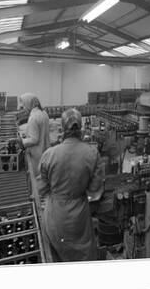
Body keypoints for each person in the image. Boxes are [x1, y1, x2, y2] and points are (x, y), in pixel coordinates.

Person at [37, 108, 104, 262]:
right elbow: (95, 190)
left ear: (62, 127)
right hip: (79, 217)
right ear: (80, 127)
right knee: (82, 258)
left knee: (56, 257)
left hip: (55, 215)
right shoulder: (92, 153)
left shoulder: (49, 154)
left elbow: (42, 188)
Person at [17, 93, 50, 178]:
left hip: (36, 155)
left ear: (28, 103)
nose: (24, 109)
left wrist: (21, 141)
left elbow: (34, 139)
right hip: (46, 150)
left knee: (35, 177)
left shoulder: (33, 118)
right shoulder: (44, 113)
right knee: (44, 176)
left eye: (24, 105)